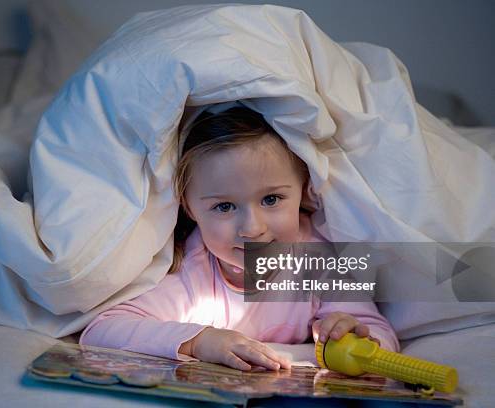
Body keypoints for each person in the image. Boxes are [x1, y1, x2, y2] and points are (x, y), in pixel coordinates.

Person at [80, 106, 399, 371]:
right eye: (224, 206)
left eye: (272, 199)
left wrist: (352, 335)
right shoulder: (193, 272)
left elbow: (382, 335)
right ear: (190, 208)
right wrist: (200, 341)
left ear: (302, 189)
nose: (252, 228)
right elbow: (102, 330)